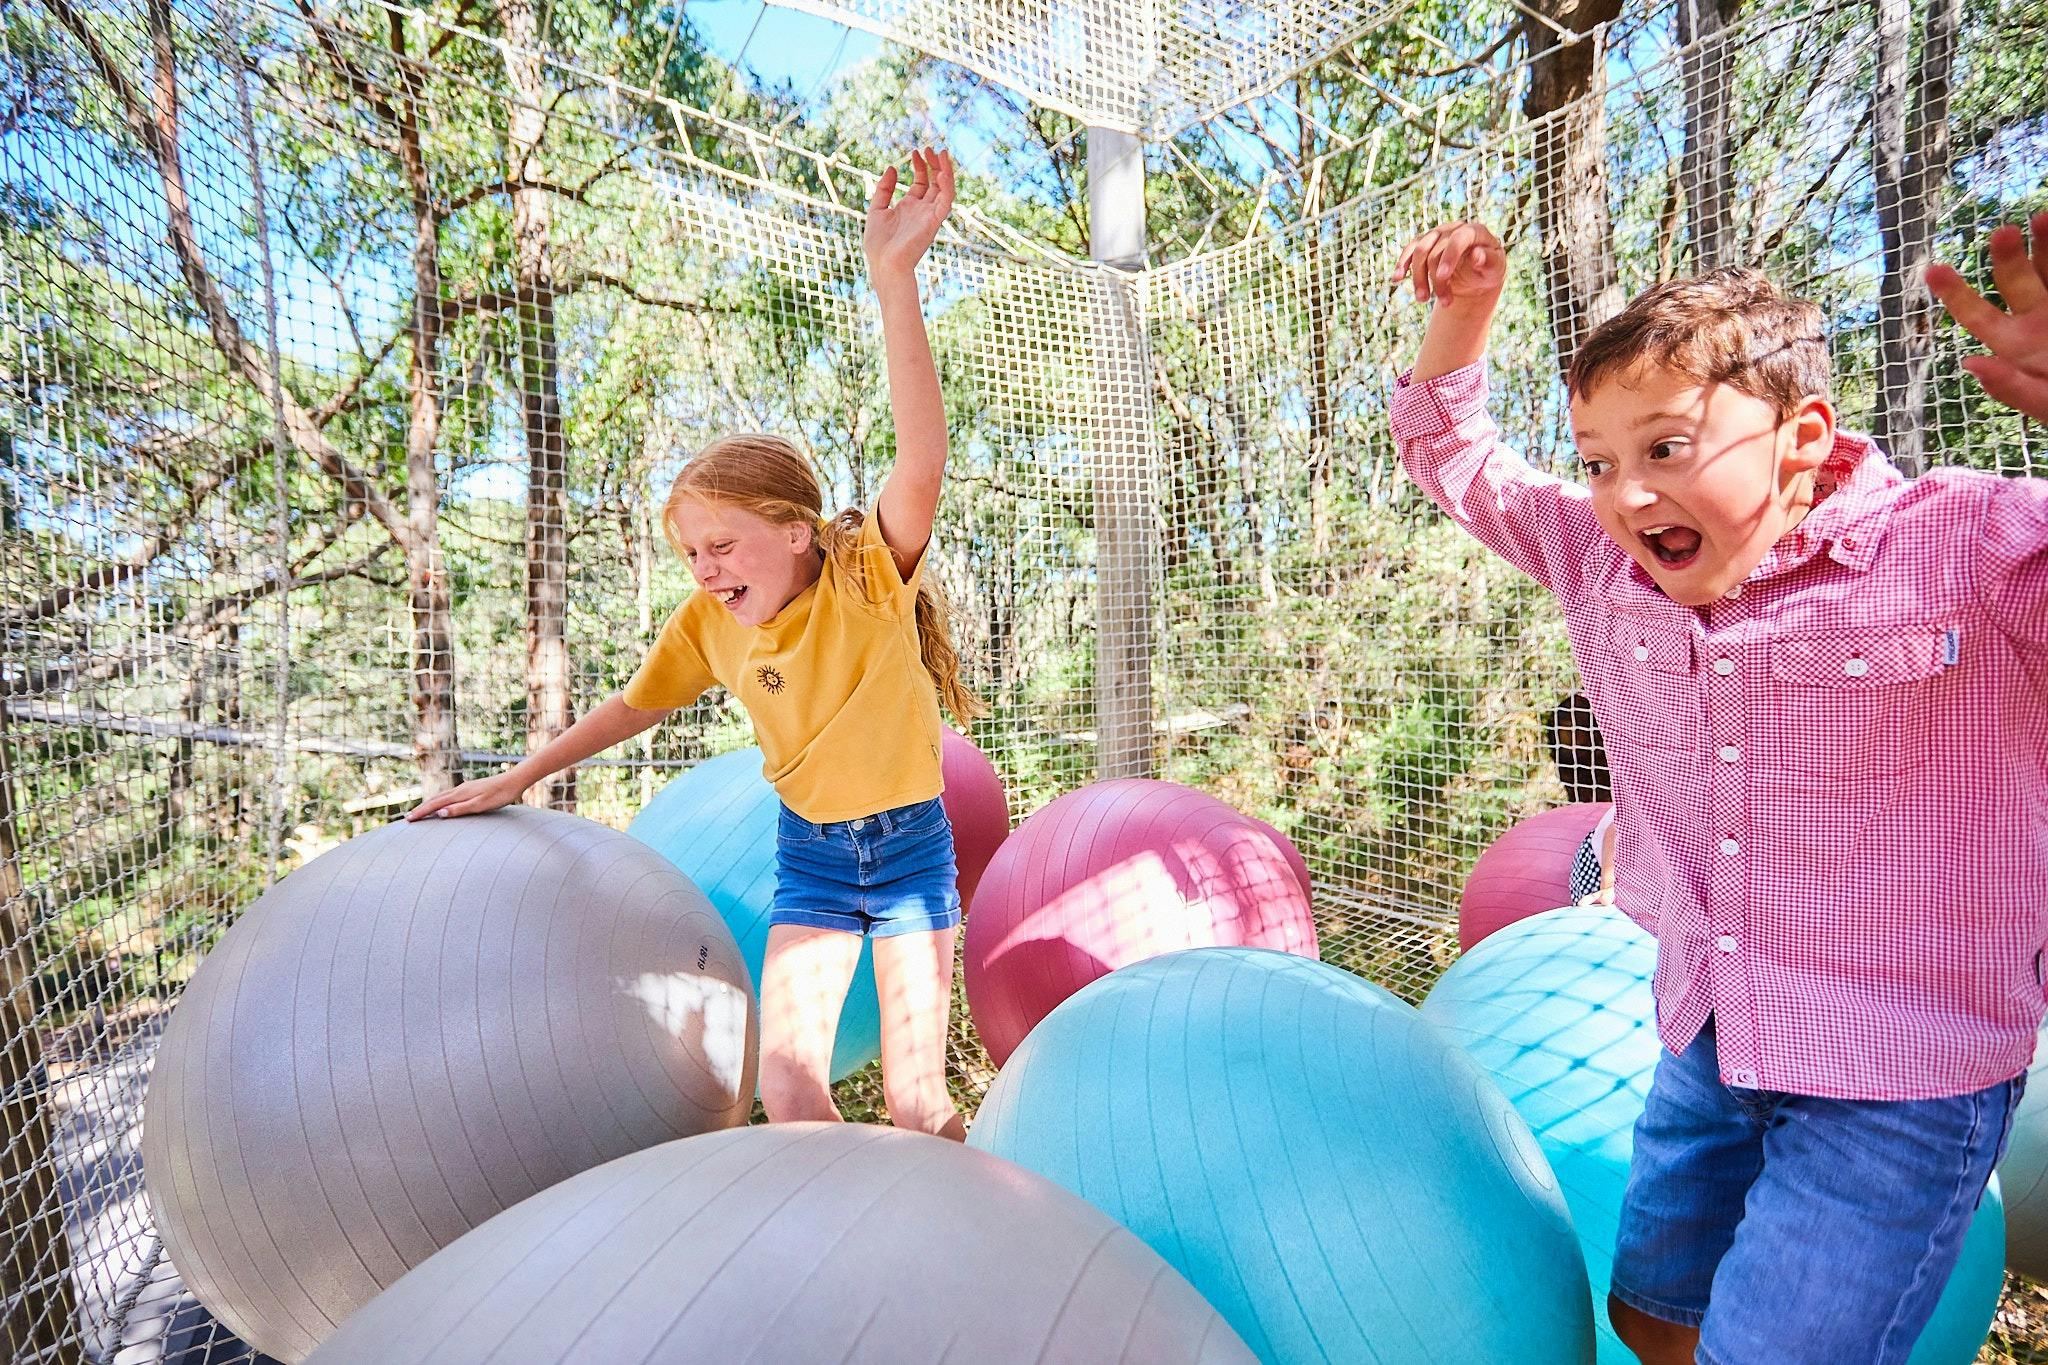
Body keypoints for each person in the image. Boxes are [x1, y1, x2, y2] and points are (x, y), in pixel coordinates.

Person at [1388, 215, 2048, 1364]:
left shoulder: (1966, 549)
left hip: (1896, 1080)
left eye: (1666, 446)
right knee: (1652, 1314)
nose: (1624, 493)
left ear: (1801, 435)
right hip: (1709, 1033)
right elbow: (1455, 457)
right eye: (1597, 459)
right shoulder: (1600, 560)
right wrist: (1463, 316)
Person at [411, 147, 978, 1142]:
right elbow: (632, 707)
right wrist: (517, 778)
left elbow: (921, 461)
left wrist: (894, 279)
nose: (706, 569)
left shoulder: (863, 576)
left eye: (722, 545)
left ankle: (965, 1247)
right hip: (810, 858)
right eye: (689, 552)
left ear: (794, 531)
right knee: (792, 1096)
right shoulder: (708, 625)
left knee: (917, 1104)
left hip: (906, 854)